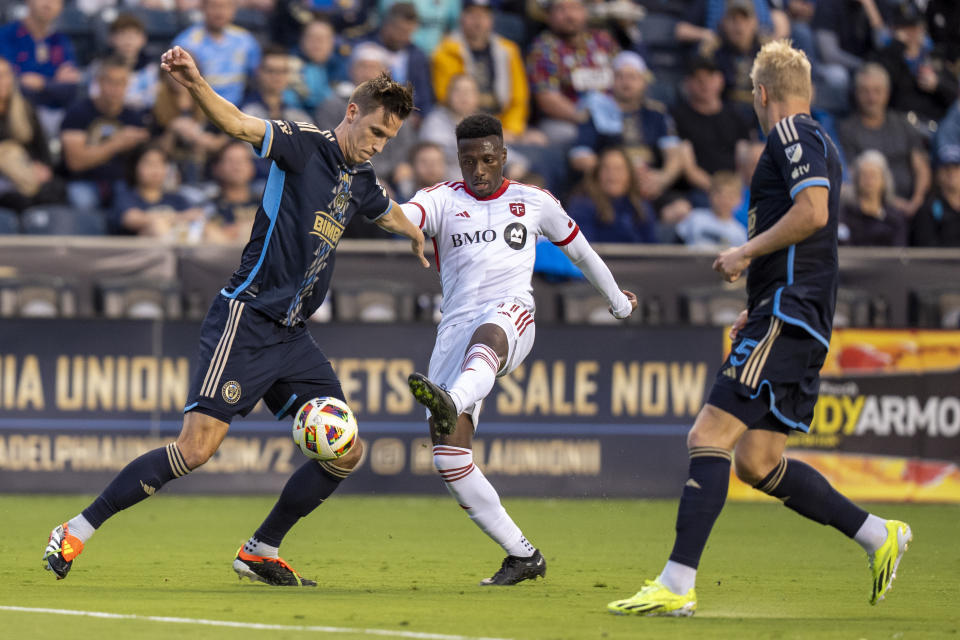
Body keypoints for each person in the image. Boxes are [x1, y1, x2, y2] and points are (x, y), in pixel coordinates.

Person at [42, 45, 428, 586]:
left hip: (294, 336)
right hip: (245, 319)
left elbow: (386, 211)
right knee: (196, 449)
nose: (378, 145)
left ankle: (260, 549)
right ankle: (76, 528)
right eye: (376, 132)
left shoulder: (360, 179)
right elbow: (238, 124)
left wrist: (418, 235)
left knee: (346, 452)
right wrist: (195, 83)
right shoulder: (303, 145)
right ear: (351, 113)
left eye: (388, 139)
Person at [606, 40, 911, 617]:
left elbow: (813, 213)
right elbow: (812, 235)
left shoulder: (791, 134)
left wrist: (745, 252)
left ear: (761, 94)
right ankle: (876, 533)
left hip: (789, 312)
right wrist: (760, 294)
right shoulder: (821, 140)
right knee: (758, 462)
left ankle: (676, 584)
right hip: (794, 311)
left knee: (708, 436)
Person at [400, 113, 637, 585]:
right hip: (455, 327)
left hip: (511, 315)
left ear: (504, 156)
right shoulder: (440, 199)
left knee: (490, 335)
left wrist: (617, 303)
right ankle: (523, 555)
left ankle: (455, 398)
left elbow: (582, 253)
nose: (479, 170)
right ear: (458, 160)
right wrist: (393, 218)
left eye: (487, 159)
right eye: (468, 161)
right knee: (449, 457)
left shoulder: (534, 201)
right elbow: (405, 216)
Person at [837, 63, 930, 217]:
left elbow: (921, 166)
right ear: (856, 94)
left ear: (887, 93)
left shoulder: (903, 124)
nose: (871, 98)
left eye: (877, 91)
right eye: (865, 91)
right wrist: (893, 203)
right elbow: (852, 176)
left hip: (912, 206)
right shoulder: (847, 129)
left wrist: (917, 201)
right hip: (870, 207)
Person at [432, 0, 533, 143]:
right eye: (472, 15)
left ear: (492, 19)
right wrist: (488, 131)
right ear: (461, 17)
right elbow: (448, 98)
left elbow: (519, 99)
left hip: (506, 128)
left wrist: (512, 129)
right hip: (462, 127)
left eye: (484, 15)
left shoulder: (509, 50)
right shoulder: (445, 51)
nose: (478, 21)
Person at [60, 56, 151, 210]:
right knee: (83, 201)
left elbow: (148, 158)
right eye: (111, 82)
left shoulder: (134, 117)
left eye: (121, 82)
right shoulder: (78, 112)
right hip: (83, 181)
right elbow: (75, 163)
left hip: (123, 183)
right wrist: (117, 143)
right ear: (99, 82)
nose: (116, 89)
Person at [0, 57, 63, 211]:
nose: (2, 81)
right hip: (4, 177)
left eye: (5, 75)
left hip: (29, 172)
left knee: (57, 190)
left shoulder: (25, 108)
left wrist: (41, 167)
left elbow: (42, 148)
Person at [171, 0, 262, 106]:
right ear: (203, 8)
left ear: (234, 10)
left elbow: (258, 77)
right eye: (214, 6)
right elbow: (180, 86)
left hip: (241, 109)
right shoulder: (186, 42)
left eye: (226, 6)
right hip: (202, 109)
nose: (220, 12)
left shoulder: (245, 40)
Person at [109, 144, 207, 238]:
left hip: (180, 243)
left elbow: (196, 216)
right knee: (158, 225)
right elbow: (131, 219)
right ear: (135, 167)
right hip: (140, 251)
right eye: (149, 164)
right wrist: (180, 217)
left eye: (161, 163)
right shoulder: (127, 196)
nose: (155, 169)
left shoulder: (177, 198)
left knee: (209, 229)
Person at [567, 146, 658, 244]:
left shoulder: (641, 207)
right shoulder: (582, 206)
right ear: (597, 174)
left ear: (629, 175)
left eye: (618, 169)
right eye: (606, 169)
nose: (612, 175)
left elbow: (653, 248)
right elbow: (581, 249)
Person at [839, 150, 908, 247]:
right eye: (865, 175)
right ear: (857, 179)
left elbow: (899, 252)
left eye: (873, 175)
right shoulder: (845, 215)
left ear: (884, 181)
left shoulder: (895, 219)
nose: (869, 180)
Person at [676, 170, 747, 248]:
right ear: (710, 194)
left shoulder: (739, 233)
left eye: (730, 196)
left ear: (739, 200)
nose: (724, 200)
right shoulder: (694, 217)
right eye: (719, 194)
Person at [911, 144, 960, 247]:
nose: (951, 173)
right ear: (937, 174)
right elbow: (927, 249)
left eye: (956, 167)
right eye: (946, 168)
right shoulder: (928, 209)